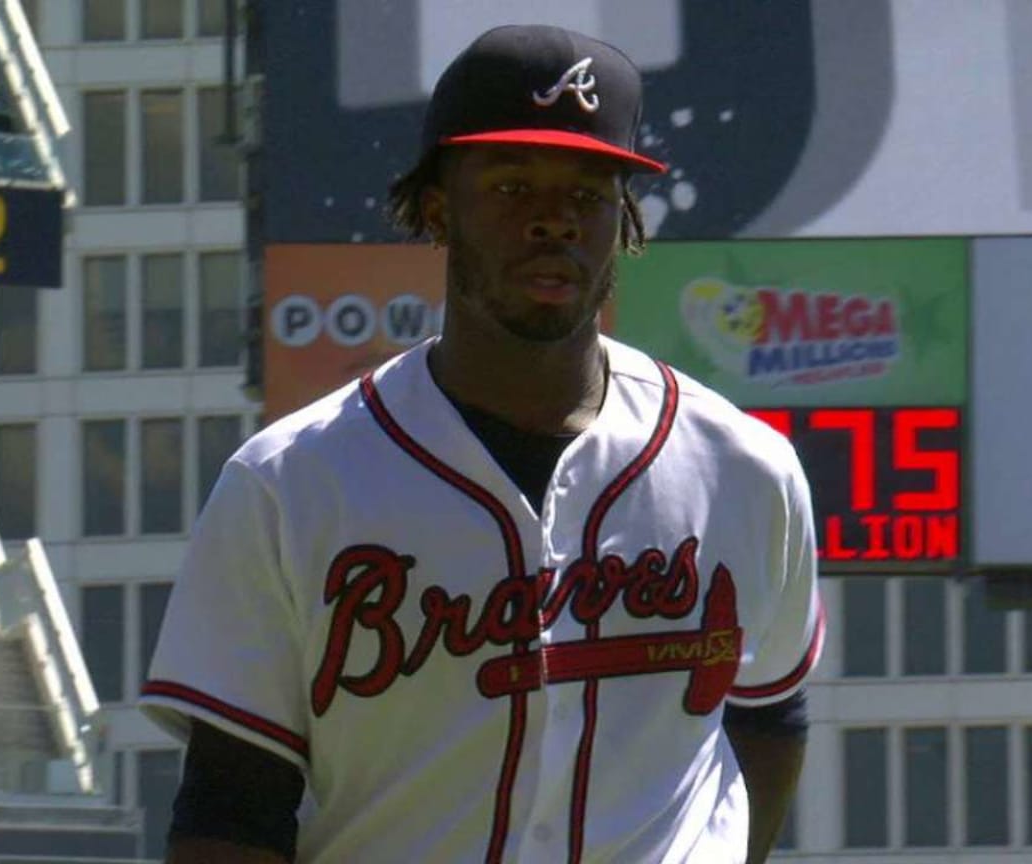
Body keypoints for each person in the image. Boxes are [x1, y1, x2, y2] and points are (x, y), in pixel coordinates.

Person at [139, 23, 824, 864]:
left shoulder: (742, 468)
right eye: (511, 186)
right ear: (437, 207)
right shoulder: (291, 483)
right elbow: (230, 811)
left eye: (586, 193)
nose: (552, 221)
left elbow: (769, 713)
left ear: (624, 219)